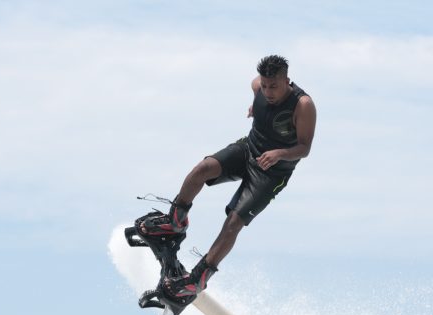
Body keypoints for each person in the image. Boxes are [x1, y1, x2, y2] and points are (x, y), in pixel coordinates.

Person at [134, 54, 317, 301]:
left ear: (287, 81)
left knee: (233, 222)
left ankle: (197, 279)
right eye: (264, 86)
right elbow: (261, 97)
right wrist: (258, 105)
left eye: (273, 86)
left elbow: (304, 148)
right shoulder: (258, 87)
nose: (267, 91)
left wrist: (279, 154)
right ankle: (174, 222)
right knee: (202, 168)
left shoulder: (303, 105)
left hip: (273, 174)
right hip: (249, 150)